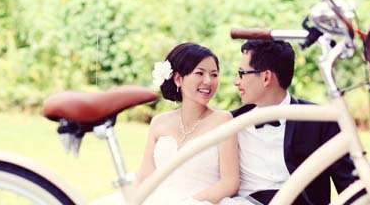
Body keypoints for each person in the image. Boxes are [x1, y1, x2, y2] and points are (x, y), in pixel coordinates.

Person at [93, 42, 239, 205]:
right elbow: (145, 177)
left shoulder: (222, 120)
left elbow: (229, 183)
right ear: (178, 79)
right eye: (200, 73)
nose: (208, 81)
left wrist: (188, 202)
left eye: (214, 74)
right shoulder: (159, 123)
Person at [231, 40, 355, 205]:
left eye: (241, 73)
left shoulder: (320, 120)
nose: (236, 82)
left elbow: (350, 187)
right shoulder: (231, 123)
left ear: (266, 77)